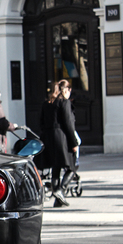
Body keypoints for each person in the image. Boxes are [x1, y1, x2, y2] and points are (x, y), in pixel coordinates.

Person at [40, 79, 80, 207]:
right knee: (72, 167)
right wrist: (74, 143)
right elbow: (68, 124)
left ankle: (58, 200)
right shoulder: (64, 103)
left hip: (48, 138)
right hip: (62, 138)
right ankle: (60, 190)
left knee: (55, 168)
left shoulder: (46, 104)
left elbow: (41, 123)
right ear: (64, 91)